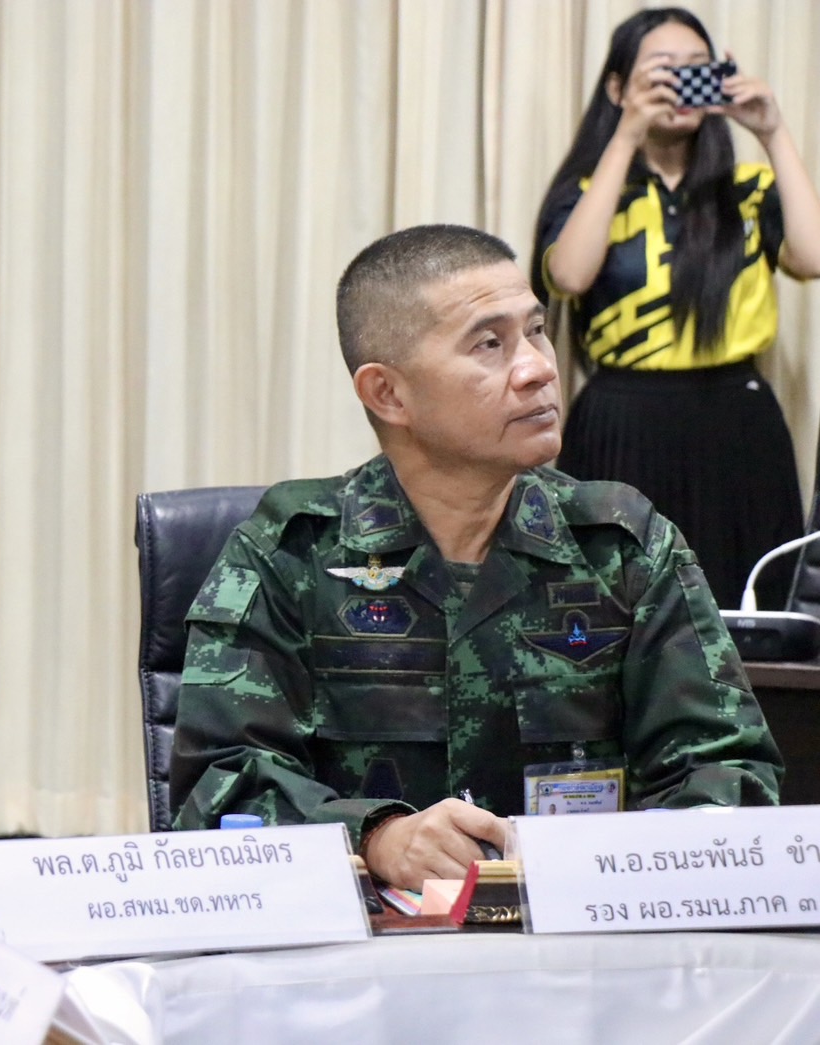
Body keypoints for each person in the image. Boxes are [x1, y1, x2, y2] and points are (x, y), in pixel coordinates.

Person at [169, 224, 781, 891]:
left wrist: (619, 865)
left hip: (580, 934)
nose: (539, 368)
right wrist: (376, 836)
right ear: (387, 394)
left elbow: (728, 772)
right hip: (371, 938)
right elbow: (218, 788)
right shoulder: (291, 553)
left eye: (536, 331)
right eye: (489, 344)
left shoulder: (620, 545)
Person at [533, 7, 820, 610]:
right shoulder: (588, 194)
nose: (681, 83)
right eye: (663, 70)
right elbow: (569, 275)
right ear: (618, 87)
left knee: (742, 608)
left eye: (696, 68)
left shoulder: (746, 190)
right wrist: (626, 135)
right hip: (621, 420)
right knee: (614, 607)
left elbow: (812, 256)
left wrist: (773, 132)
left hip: (738, 424)